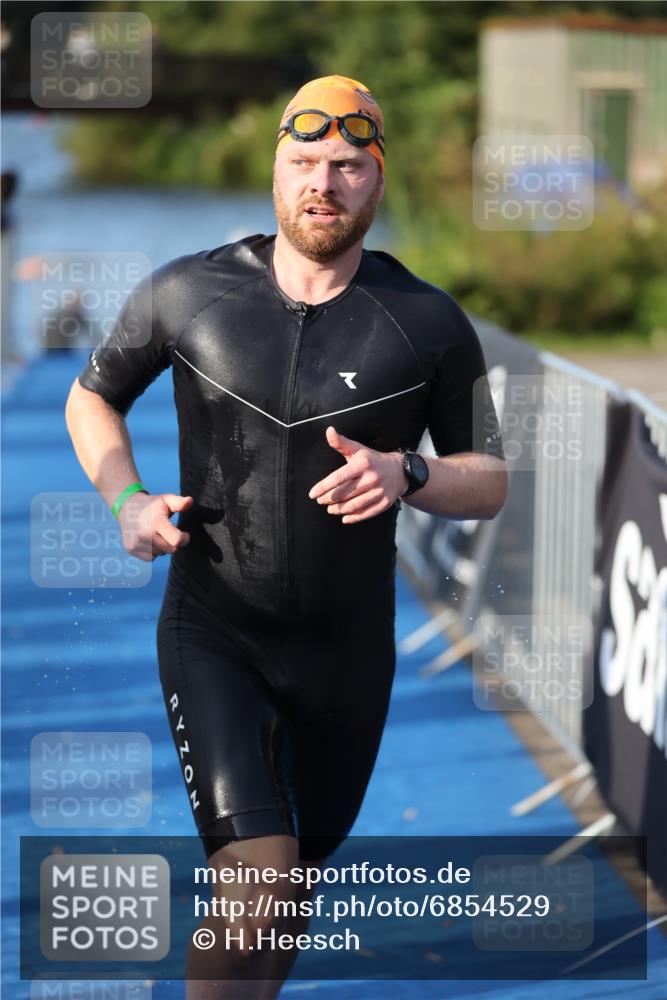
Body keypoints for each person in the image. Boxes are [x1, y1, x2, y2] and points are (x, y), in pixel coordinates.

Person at [65, 75, 507, 998]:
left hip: (348, 653)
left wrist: (409, 473)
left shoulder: (427, 323)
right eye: (304, 162)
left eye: (347, 165)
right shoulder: (187, 291)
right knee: (257, 880)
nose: (323, 182)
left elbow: (489, 480)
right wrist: (128, 502)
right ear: (275, 172)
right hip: (216, 630)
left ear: (376, 184)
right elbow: (93, 396)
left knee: (290, 883)